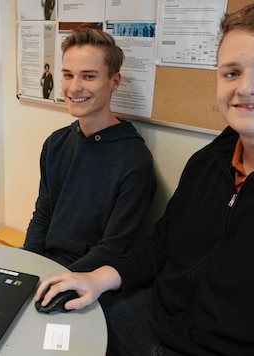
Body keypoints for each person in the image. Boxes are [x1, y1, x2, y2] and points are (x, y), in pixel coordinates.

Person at [35, 2, 254, 355]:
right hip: (148, 321)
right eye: (231, 72)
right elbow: (161, 246)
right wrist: (97, 278)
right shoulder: (207, 164)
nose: (246, 88)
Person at [23, 28, 157, 273]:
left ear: (114, 81)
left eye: (88, 76)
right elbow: (42, 215)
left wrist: (60, 281)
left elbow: (113, 247)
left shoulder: (135, 161)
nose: (74, 88)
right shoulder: (56, 143)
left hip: (88, 279)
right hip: (44, 268)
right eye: (68, 75)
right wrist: (29, 269)